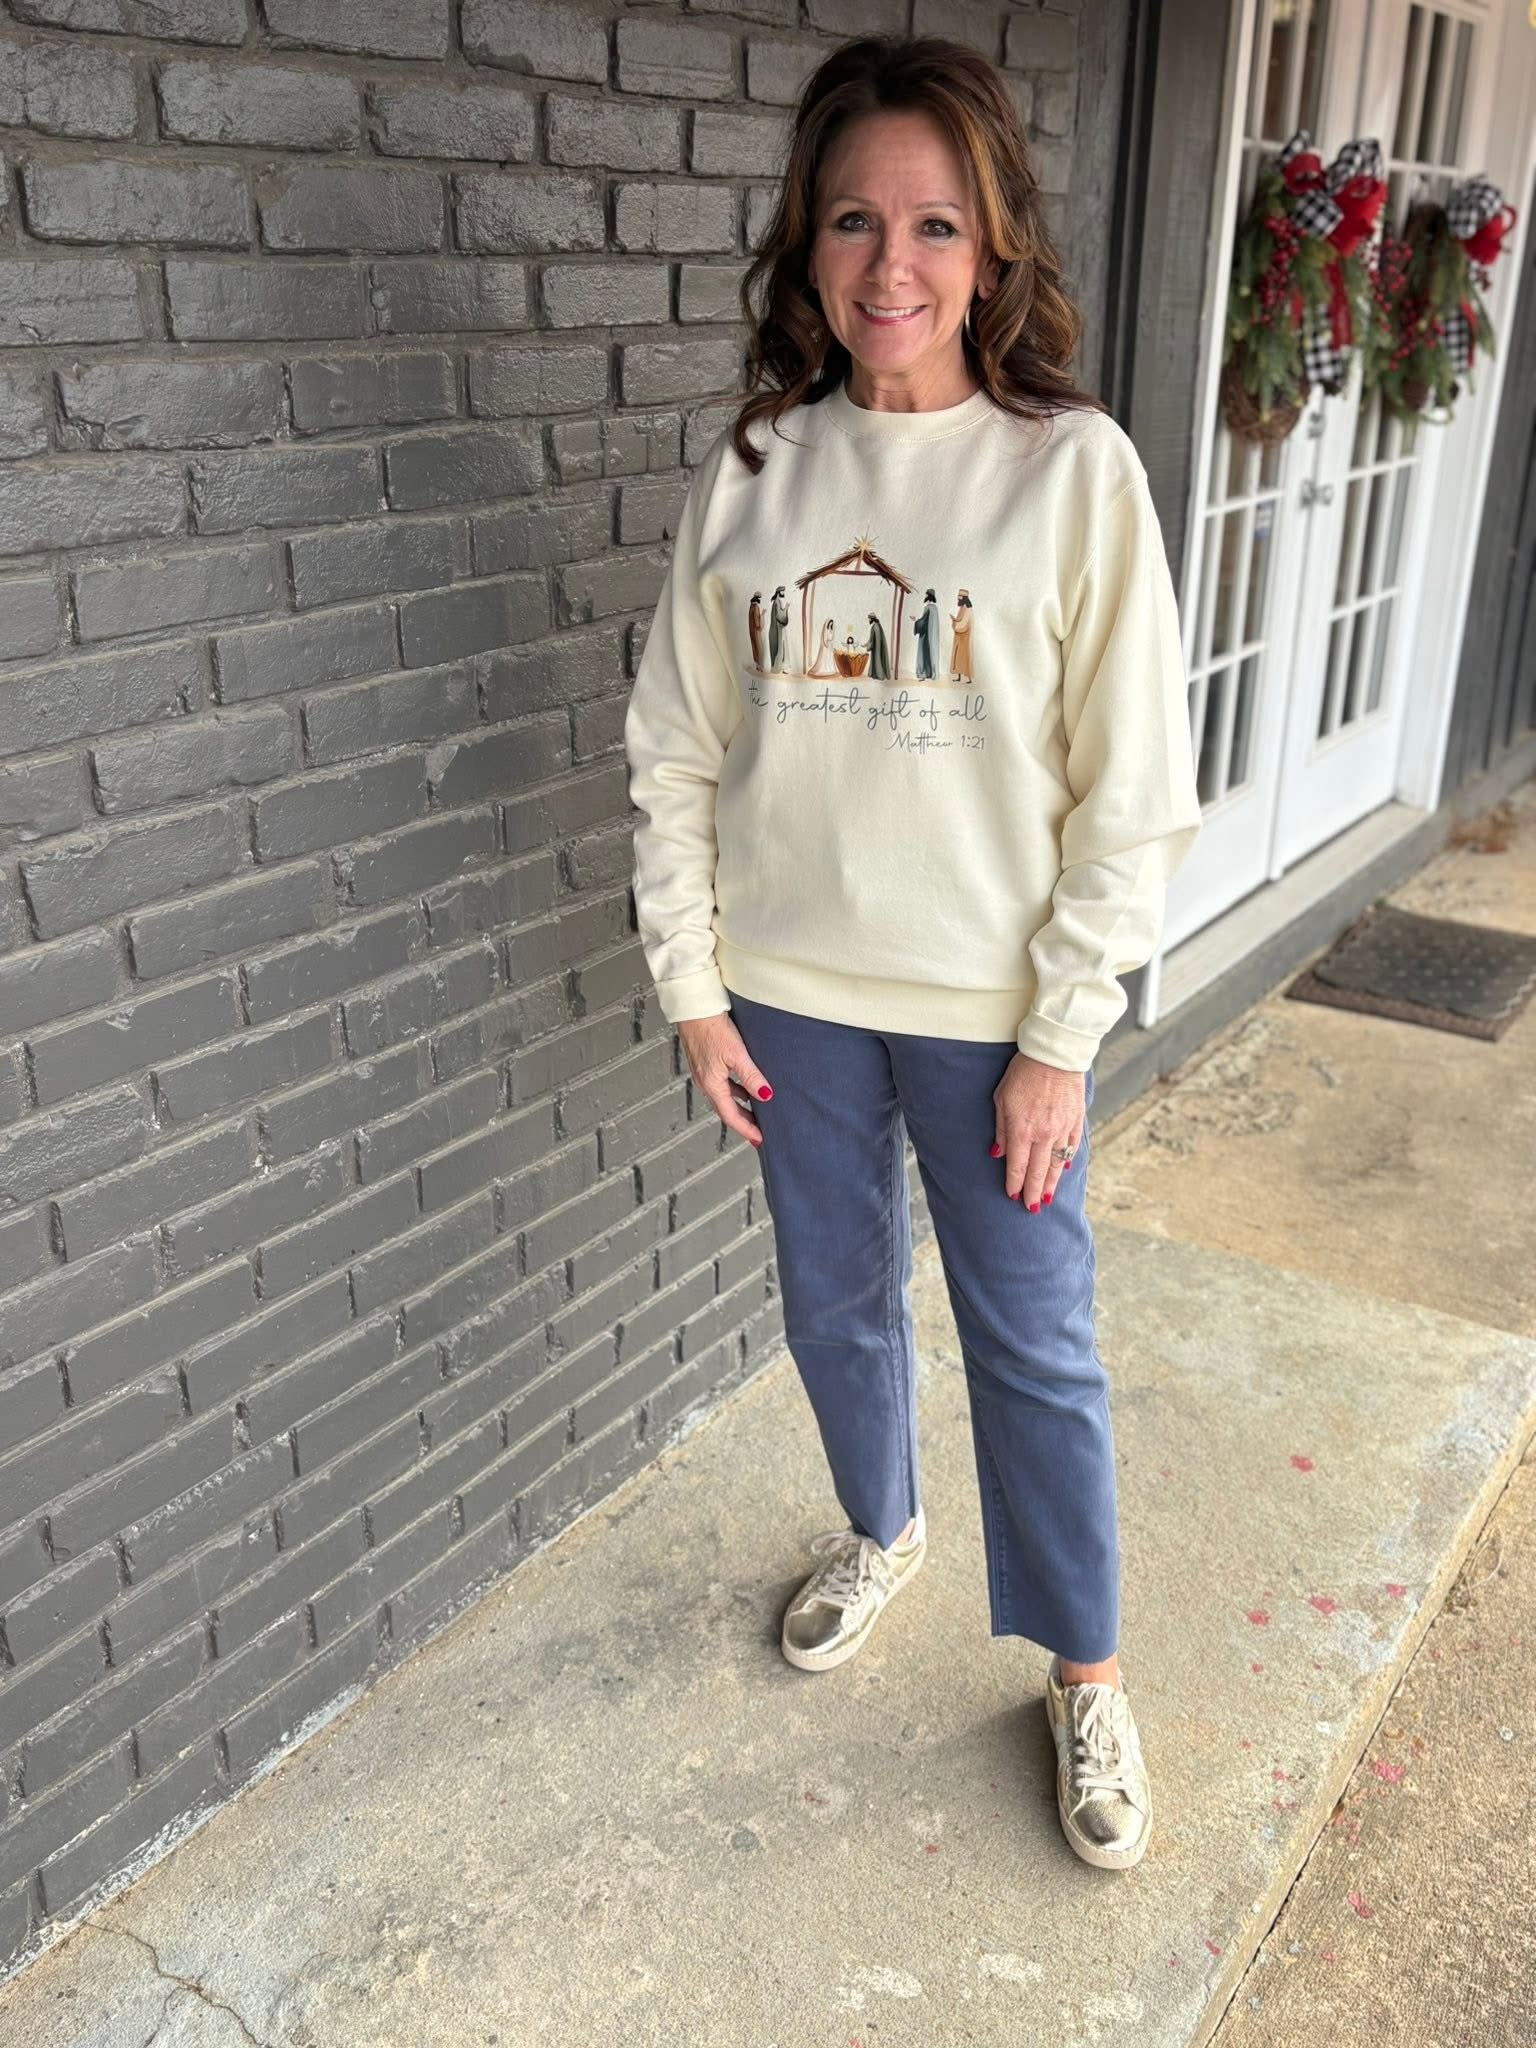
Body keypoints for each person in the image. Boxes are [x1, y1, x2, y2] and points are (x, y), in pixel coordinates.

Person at [622, 33, 1202, 1873]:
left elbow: (1133, 792)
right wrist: (694, 988)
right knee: (833, 1306)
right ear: (807, 244)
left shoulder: (1070, 472)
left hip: (992, 1020)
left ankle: (1087, 1670)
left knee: (1035, 1347)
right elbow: (675, 750)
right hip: (791, 1001)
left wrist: (1064, 1034)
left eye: (936, 222)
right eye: (855, 219)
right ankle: (884, 1528)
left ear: (994, 244)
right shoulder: (756, 472)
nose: (893, 263)